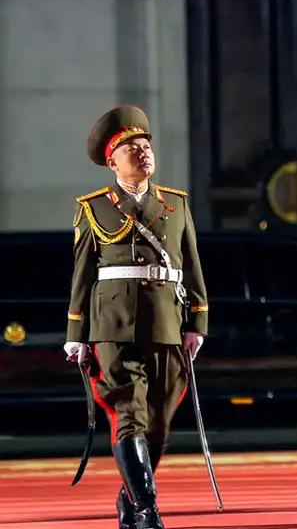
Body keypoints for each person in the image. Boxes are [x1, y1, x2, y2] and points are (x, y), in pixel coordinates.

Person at [63, 105, 209, 529]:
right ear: (112, 161)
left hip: (166, 322)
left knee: (159, 419)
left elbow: (192, 266)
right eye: (132, 148)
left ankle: (131, 498)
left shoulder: (176, 205)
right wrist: (77, 332)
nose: (143, 153)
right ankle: (147, 512)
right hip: (112, 325)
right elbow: (83, 274)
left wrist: (196, 323)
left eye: (146, 146)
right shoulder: (94, 208)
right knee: (130, 414)